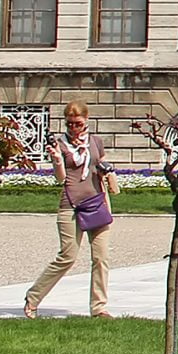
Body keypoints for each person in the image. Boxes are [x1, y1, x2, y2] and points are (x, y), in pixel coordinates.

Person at [25, 101, 114, 317]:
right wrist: (57, 160)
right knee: (68, 256)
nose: (74, 128)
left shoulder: (95, 142)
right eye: (70, 124)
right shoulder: (60, 144)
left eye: (78, 124)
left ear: (86, 121)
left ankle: (99, 307)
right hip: (71, 204)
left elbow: (100, 163)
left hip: (96, 203)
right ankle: (33, 297)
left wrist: (106, 172)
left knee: (101, 257)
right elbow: (61, 178)